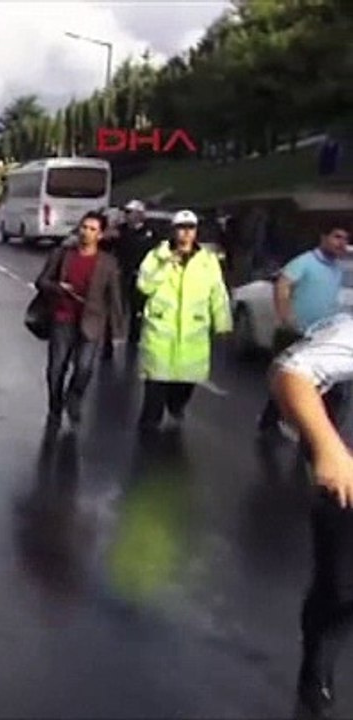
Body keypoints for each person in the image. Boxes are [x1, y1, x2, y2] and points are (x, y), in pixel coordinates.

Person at [269, 312, 353, 717]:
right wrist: (329, 449)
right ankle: (316, 663)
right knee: (341, 589)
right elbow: (294, 372)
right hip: (348, 482)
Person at [135, 209, 232, 431]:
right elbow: (144, 285)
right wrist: (166, 264)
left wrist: (223, 323)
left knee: (187, 380)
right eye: (181, 228)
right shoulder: (156, 256)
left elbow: (218, 292)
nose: (186, 233)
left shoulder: (207, 260)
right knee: (156, 380)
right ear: (173, 230)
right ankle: (149, 425)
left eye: (190, 228)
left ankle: (176, 405)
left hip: (193, 330)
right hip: (161, 328)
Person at [35, 211, 126, 430]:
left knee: (84, 368)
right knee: (56, 367)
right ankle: (55, 405)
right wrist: (58, 287)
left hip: (92, 321)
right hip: (62, 318)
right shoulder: (62, 254)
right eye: (84, 227)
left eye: (93, 229)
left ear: (101, 235)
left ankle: (74, 398)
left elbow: (114, 297)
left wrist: (117, 332)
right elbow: (42, 281)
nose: (86, 233)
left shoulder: (107, 263)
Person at [260, 224, 352, 438]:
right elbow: (282, 285)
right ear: (323, 237)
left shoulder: (338, 269)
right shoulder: (305, 261)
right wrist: (286, 317)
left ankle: (314, 436)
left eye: (345, 239)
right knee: (286, 384)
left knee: (328, 390)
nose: (342, 243)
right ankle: (271, 422)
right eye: (337, 237)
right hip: (296, 333)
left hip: (324, 337)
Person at [115, 200, 159, 346]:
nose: (126, 216)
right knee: (117, 306)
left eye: (130, 212)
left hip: (142, 275)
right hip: (123, 274)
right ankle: (114, 337)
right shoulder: (120, 231)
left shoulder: (150, 233)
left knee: (138, 308)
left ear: (139, 215)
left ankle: (135, 337)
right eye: (126, 212)